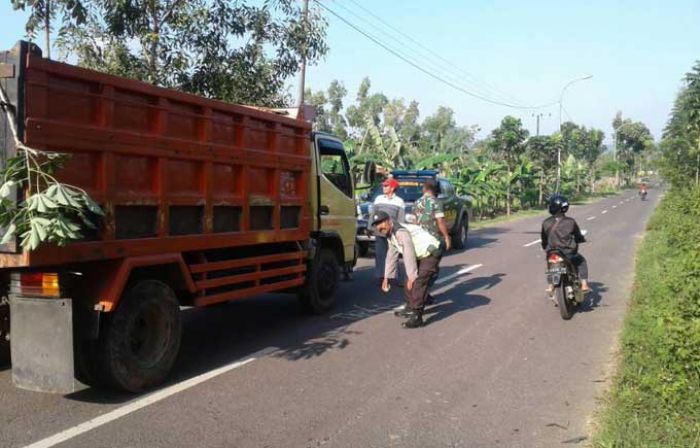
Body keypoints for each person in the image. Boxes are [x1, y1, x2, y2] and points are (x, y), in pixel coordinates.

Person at [372, 211, 442, 329]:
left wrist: (412, 276)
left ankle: (417, 316)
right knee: (408, 281)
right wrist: (387, 277)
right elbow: (391, 255)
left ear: (388, 221)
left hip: (431, 252)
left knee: (417, 282)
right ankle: (411, 306)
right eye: (377, 224)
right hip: (420, 254)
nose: (379, 227)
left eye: (381, 223)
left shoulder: (400, 232)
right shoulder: (390, 234)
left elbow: (408, 253)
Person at [541, 194, 591, 297]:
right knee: (581, 261)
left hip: (552, 252)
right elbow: (578, 236)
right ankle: (584, 285)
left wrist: (546, 248)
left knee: (551, 266)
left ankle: (550, 286)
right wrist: (581, 239)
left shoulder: (546, 223)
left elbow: (544, 240)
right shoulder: (570, 222)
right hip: (568, 253)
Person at [371, 178, 405, 282]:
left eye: (386, 186)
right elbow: (373, 215)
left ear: (392, 188)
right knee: (380, 254)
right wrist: (369, 228)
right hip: (379, 231)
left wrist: (400, 231)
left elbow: (401, 218)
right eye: (383, 186)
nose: (384, 188)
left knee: (394, 254)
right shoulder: (379, 199)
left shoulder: (399, 201)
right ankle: (381, 276)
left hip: (392, 231)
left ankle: (397, 277)